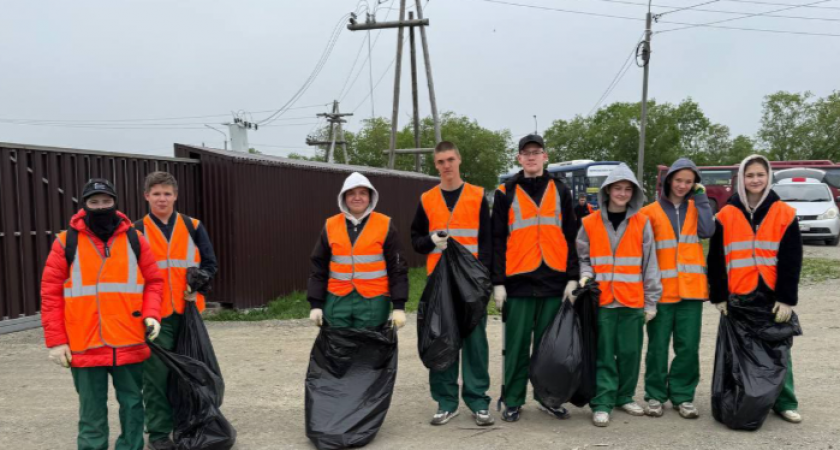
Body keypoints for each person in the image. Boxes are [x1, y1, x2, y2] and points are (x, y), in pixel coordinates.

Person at [40, 178, 164, 450]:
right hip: (85, 341)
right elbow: (51, 295)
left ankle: (130, 447)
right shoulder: (65, 242)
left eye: (106, 201)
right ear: (84, 205)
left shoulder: (135, 239)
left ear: (115, 202)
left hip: (128, 337)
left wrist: (152, 313)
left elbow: (154, 281)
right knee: (91, 408)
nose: (100, 207)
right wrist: (56, 341)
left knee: (132, 403)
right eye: (94, 202)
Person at [707, 154, 803, 424]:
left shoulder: (784, 213)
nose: (755, 180)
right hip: (739, 294)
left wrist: (786, 299)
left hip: (771, 294)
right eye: (750, 175)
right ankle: (740, 394)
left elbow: (791, 259)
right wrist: (719, 295)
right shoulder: (725, 215)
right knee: (737, 352)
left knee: (779, 347)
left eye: (760, 174)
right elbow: (715, 260)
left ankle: (785, 401)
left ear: (768, 176)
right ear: (741, 179)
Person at [492, 134, 579, 422]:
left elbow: (572, 236)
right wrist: (498, 282)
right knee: (516, 347)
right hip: (518, 281)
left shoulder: (561, 190)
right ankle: (514, 399)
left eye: (536, 152)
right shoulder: (505, 192)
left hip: (554, 280)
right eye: (525, 153)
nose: (531, 157)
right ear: (519, 158)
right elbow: (497, 240)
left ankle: (547, 397)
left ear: (545, 156)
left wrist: (572, 277)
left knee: (549, 349)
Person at [411, 141, 494, 427]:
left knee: (475, 344)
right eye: (440, 162)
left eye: (450, 160)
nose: (446, 166)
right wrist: (430, 240)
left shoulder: (477, 196)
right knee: (441, 342)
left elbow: (487, 241)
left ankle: (478, 401)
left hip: (471, 284)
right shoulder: (426, 199)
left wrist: (486, 280)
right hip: (439, 285)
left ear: (459, 160)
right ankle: (446, 402)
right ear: (436, 166)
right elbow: (416, 242)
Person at [135, 172, 219, 450]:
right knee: (156, 376)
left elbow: (210, 263)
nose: (162, 198)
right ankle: (158, 433)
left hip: (187, 313)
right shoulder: (136, 232)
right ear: (146, 196)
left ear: (176, 196)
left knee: (192, 373)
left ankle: (190, 422)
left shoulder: (193, 226)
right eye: (157, 193)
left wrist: (200, 284)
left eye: (167, 193)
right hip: (155, 317)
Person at [576, 163, 662, 427]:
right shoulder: (589, 222)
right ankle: (602, 402)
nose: (622, 193)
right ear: (607, 191)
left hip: (632, 300)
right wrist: (586, 274)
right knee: (603, 354)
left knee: (630, 352)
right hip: (602, 301)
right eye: (617, 188)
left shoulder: (642, 222)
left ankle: (624, 396)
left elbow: (650, 263)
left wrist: (651, 302)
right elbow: (584, 256)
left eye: (627, 189)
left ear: (633, 193)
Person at [640, 158, 714, 419]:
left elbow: (708, 231)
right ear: (669, 179)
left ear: (695, 184)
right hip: (661, 292)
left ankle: (683, 396)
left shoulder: (698, 208)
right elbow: (644, 254)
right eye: (679, 180)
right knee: (658, 346)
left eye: (689, 181)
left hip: (692, 292)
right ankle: (655, 395)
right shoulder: (649, 212)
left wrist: (703, 199)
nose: (683, 185)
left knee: (688, 347)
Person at [307, 172, 409, 330]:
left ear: (370, 197)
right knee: (338, 350)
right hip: (337, 301)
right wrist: (315, 304)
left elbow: (398, 268)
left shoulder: (385, 224)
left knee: (370, 351)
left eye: (362, 193)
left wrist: (399, 306)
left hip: (374, 301)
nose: (357, 197)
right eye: (351, 193)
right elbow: (318, 266)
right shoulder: (331, 225)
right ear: (344, 197)